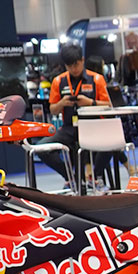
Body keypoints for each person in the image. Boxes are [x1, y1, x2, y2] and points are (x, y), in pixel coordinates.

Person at [49, 43, 111, 186]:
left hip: (93, 126)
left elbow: (109, 105)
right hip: (69, 128)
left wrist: (90, 102)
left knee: (112, 142)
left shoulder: (96, 79)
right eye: (69, 66)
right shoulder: (58, 81)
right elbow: (53, 110)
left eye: (76, 64)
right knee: (42, 148)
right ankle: (71, 176)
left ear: (82, 60)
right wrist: (62, 103)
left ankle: (95, 176)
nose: (74, 69)